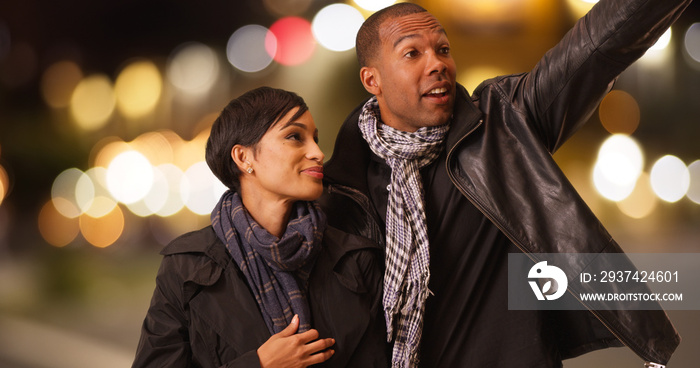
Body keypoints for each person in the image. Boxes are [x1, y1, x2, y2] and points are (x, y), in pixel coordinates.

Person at [319, 1, 693, 367]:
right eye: (412, 53)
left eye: (443, 49)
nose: (437, 64)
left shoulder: (504, 128)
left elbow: (600, 44)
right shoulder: (341, 192)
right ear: (372, 80)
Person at [133, 87, 388, 368]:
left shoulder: (354, 259)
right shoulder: (186, 269)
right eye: (294, 137)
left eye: (315, 139)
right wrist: (260, 364)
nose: (317, 153)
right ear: (244, 158)